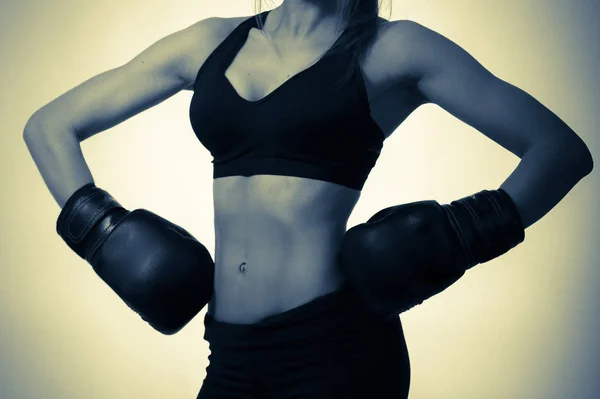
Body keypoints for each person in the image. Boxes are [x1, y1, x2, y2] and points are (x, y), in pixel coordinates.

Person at [23, 0, 594, 398]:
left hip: (337, 350)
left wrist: (457, 237)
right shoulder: (210, 41)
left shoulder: (393, 48)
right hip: (228, 349)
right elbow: (50, 126)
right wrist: (102, 231)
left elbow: (559, 151)